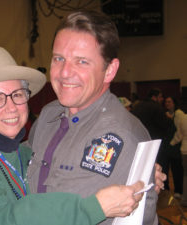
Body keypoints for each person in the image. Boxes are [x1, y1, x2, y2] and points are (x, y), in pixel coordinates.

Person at [0, 47, 145, 225]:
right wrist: (94, 208)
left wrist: (133, 168)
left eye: (18, 95)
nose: (11, 107)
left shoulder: (24, 153)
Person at [27, 11, 160, 225]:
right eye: (59, 58)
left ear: (109, 70)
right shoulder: (49, 115)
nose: (64, 73)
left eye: (81, 62)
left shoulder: (118, 136)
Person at [164, 96, 185, 198]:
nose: (167, 104)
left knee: (177, 169)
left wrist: (172, 143)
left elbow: (180, 131)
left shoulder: (179, 114)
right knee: (166, 168)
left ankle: (178, 191)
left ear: (174, 103)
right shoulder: (164, 114)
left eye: (169, 102)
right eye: (166, 102)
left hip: (176, 146)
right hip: (168, 147)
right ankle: (166, 190)